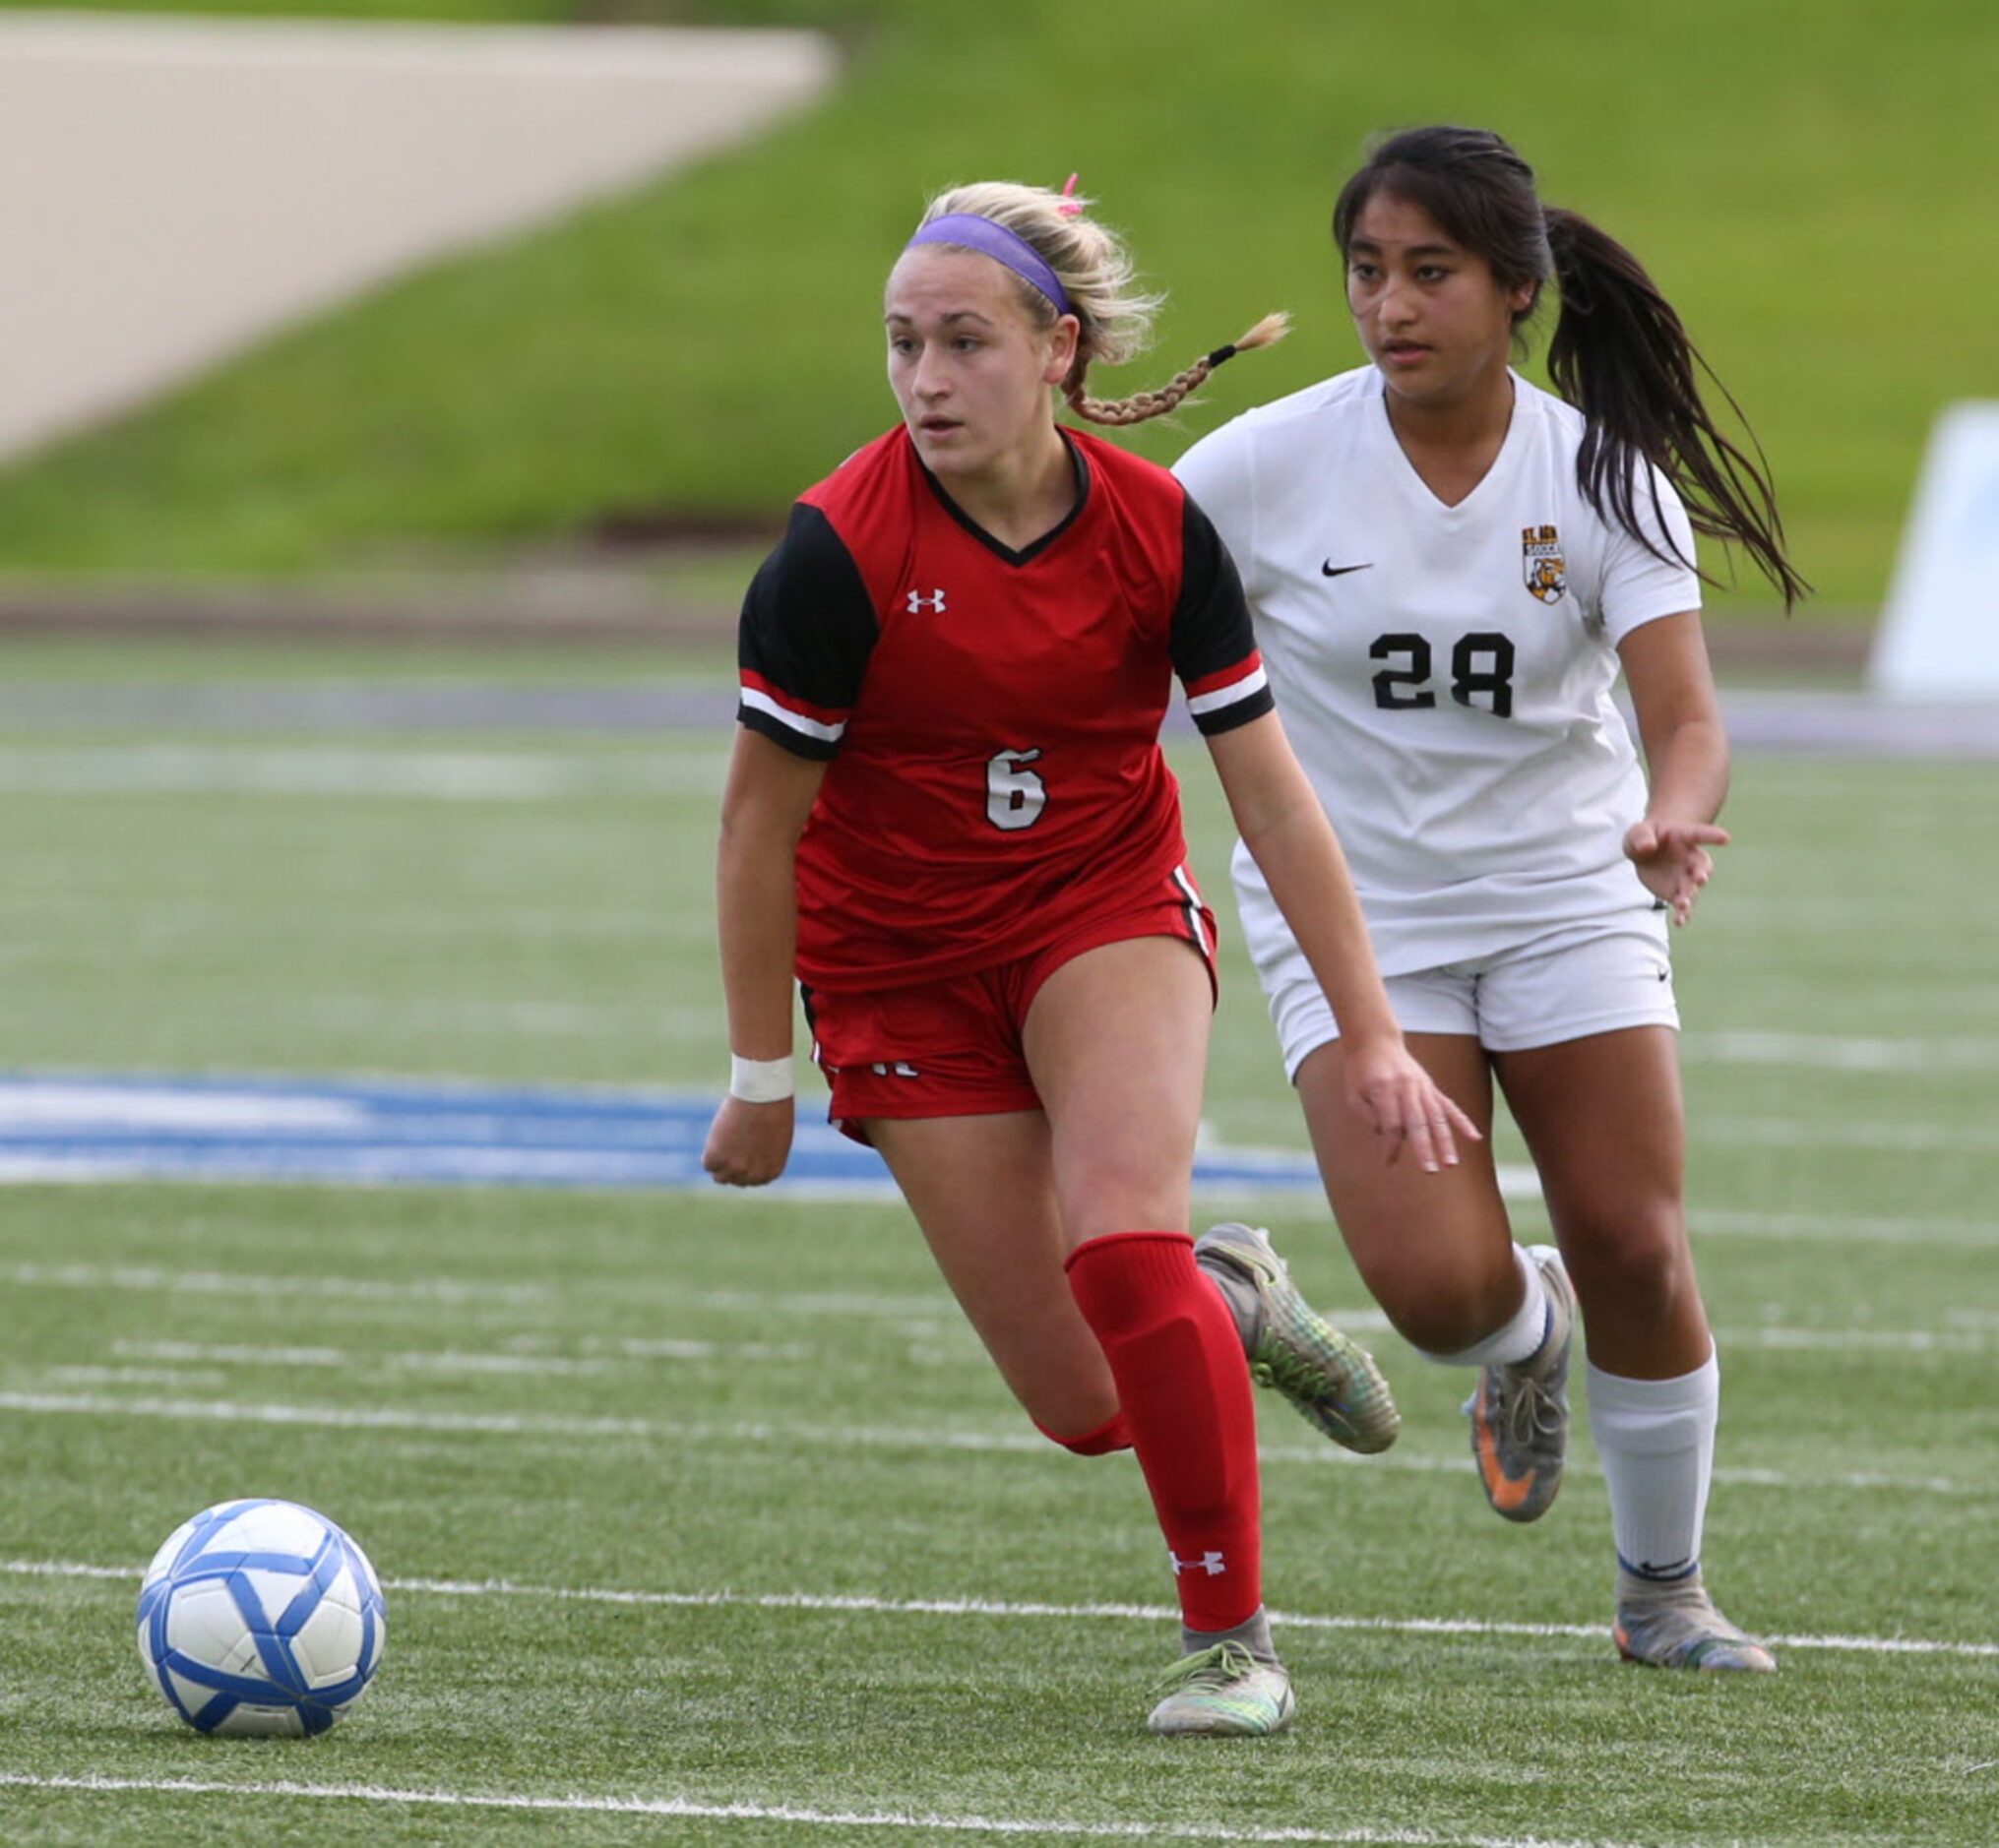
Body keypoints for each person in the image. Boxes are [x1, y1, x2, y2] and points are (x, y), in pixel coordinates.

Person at [702, 176, 1479, 1735]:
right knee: (1086, 1404)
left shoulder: (1154, 526)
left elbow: (1266, 790)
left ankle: (1232, 1642)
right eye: (904, 345)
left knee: (1120, 1246)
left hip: (1098, 913)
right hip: (896, 967)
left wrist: (1375, 1030)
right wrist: (758, 1075)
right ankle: (1235, 1295)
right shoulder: (833, 553)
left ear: (1058, 352)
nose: (927, 380)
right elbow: (752, 828)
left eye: (966, 343)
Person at [1176, 126, 1810, 1674]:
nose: (1390, 305)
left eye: (1430, 273)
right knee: (1439, 1290)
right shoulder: (1263, 461)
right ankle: (1521, 1340)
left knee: (1639, 1244)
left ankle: (1664, 1594)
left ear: (1517, 290)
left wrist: (1674, 815)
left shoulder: (1600, 476)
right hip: (1356, 913)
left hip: (1568, 894)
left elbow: (1692, 721)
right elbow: (1111, 581)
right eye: (1367, 272)